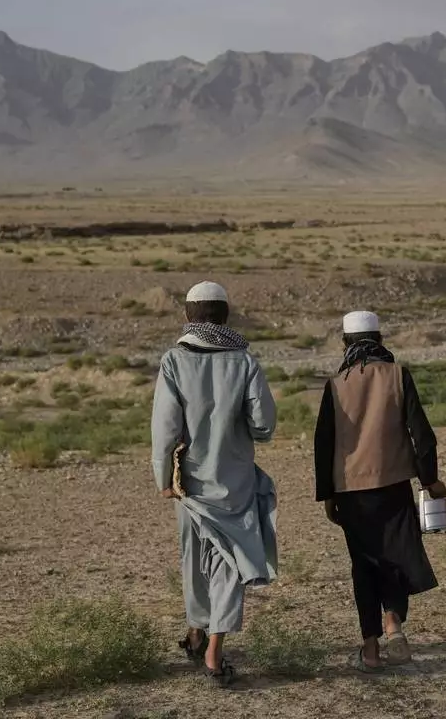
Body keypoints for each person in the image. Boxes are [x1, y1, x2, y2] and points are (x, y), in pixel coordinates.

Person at [151, 281, 278, 688]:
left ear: (187, 316)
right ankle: (212, 649)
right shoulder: (245, 362)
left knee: (194, 558)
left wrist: (163, 478)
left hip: (188, 483)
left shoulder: (174, 361)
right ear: (225, 316)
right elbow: (264, 425)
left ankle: (197, 631)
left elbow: (164, 429)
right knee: (229, 561)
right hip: (235, 481)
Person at [313, 310, 445, 672]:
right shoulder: (398, 375)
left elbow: (323, 444)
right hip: (394, 485)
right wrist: (430, 480)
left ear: (345, 343)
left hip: (351, 492)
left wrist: (328, 495)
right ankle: (393, 621)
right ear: (380, 340)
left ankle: (370, 649)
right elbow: (422, 436)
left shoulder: (335, 385)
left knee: (364, 564)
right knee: (397, 556)